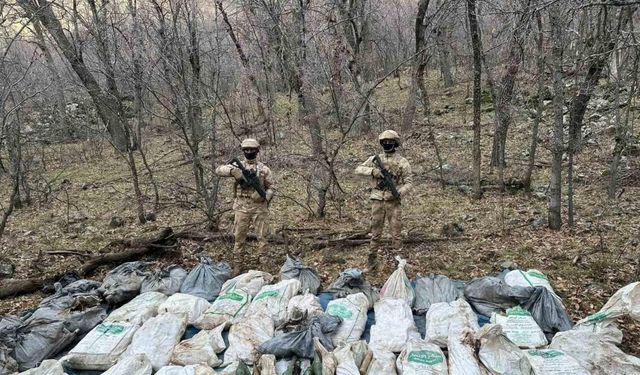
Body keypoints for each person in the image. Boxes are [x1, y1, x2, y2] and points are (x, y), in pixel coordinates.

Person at [355, 130, 413, 266]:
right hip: (377, 200)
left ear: (395, 143)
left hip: (393, 202)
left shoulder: (402, 162)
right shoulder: (375, 159)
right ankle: (372, 260)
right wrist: (372, 171)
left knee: (396, 233)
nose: (387, 144)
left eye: (390, 142)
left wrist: (399, 192)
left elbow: (409, 182)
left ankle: (399, 262)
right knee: (375, 232)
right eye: (385, 142)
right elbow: (358, 169)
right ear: (381, 143)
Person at [216, 138, 274, 256]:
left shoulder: (264, 169)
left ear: (257, 151)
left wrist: (266, 195)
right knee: (239, 239)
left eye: (251, 149)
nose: (249, 152)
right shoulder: (238, 166)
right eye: (246, 150)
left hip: (259, 208)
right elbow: (218, 170)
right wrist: (232, 171)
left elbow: (272, 187)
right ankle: (238, 265)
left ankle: (264, 265)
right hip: (241, 207)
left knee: (263, 239)